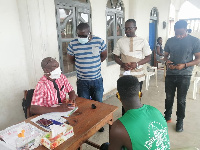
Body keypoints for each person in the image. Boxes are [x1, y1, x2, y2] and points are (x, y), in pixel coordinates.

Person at [100, 76, 170, 150]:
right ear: (140, 94)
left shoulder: (119, 127)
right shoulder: (155, 111)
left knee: (105, 147)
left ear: (118, 96)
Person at [67, 23, 107, 132]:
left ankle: (99, 124)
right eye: (79, 35)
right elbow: (71, 59)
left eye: (84, 36)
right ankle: (87, 123)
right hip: (82, 82)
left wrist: (94, 64)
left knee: (98, 103)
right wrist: (82, 65)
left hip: (97, 80)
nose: (81, 38)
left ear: (90, 33)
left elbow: (103, 56)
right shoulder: (73, 44)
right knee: (84, 105)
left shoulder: (99, 41)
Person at [164, 20, 200, 132]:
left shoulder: (195, 41)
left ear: (186, 30)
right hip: (170, 74)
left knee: (181, 99)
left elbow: (198, 59)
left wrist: (184, 65)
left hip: (185, 75)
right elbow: (165, 56)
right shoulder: (170, 41)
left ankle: (180, 121)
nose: (178, 36)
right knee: (169, 97)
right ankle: (167, 116)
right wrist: (167, 62)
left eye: (181, 33)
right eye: (176, 33)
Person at [112, 19, 152, 115]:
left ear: (135, 28)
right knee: (123, 97)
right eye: (125, 29)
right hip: (125, 75)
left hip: (138, 76)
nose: (127, 31)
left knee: (136, 98)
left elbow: (148, 57)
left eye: (129, 28)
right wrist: (122, 64)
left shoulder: (142, 41)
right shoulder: (120, 41)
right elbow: (115, 56)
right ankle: (125, 118)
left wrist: (137, 64)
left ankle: (136, 117)